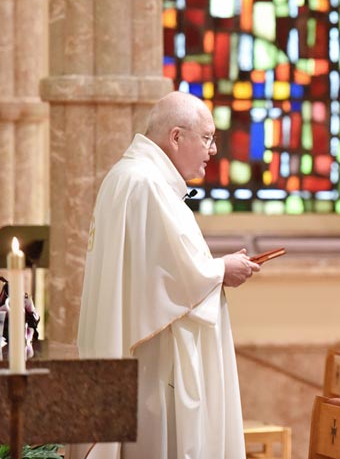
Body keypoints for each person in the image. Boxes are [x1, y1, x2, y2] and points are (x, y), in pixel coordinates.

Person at [75, 91, 261, 458]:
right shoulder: (146, 184)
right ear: (176, 137)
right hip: (153, 367)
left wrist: (216, 268)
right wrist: (223, 269)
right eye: (207, 138)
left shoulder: (128, 176)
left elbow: (159, 267)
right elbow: (174, 278)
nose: (212, 151)